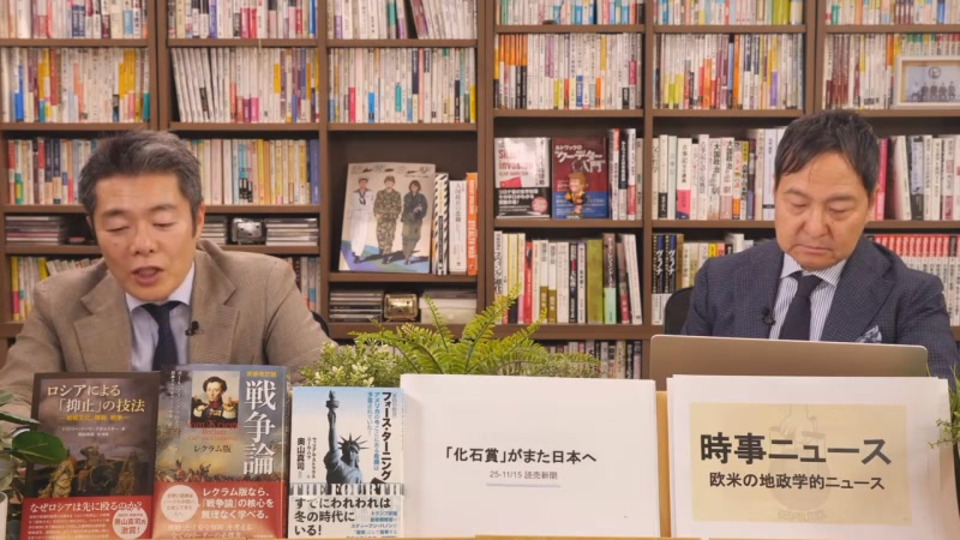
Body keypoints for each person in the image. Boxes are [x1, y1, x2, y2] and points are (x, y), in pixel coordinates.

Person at [0, 130, 333, 422]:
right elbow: (11, 406)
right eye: (117, 227)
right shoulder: (58, 300)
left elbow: (326, 389)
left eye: (162, 223)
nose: (142, 245)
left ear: (198, 220)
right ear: (93, 228)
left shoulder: (263, 284)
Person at [682, 110, 959, 382]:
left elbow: (941, 400)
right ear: (775, 192)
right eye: (798, 204)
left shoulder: (913, 295)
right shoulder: (720, 279)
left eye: (838, 209)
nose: (815, 228)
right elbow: (679, 387)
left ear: (871, 204)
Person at [323, 391, 364, 484]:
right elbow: (333, 447)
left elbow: (362, 491)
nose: (351, 453)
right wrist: (332, 425)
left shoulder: (358, 473)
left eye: (354, 451)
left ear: (357, 454)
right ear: (343, 453)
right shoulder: (338, 466)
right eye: (348, 450)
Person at [373, 176, 402, 262]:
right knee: (380, 236)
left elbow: (399, 207)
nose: (389, 184)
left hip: (391, 220)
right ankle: (381, 249)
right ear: (385, 183)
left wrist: (395, 214)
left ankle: (386, 256)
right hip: (381, 219)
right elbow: (376, 205)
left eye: (391, 183)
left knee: (389, 237)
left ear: (393, 184)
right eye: (388, 182)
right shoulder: (380, 193)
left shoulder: (397, 194)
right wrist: (376, 214)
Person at [346, 177, 374, 263]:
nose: (363, 184)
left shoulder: (370, 192)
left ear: (366, 183)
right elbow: (351, 204)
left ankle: (358, 255)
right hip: (355, 213)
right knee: (354, 233)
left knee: (362, 234)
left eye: (365, 182)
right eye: (361, 182)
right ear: (359, 183)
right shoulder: (354, 193)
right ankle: (354, 249)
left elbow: (371, 204)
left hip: (364, 214)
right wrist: (349, 215)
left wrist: (370, 216)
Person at [400, 180, 428, 265]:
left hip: (416, 221)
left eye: (415, 186)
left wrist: (418, 213)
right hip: (407, 220)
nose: (414, 188)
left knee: (414, 237)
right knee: (405, 237)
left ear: (418, 187)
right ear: (410, 187)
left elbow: (424, 209)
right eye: (412, 186)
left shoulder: (422, 197)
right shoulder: (407, 196)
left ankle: (408, 256)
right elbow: (407, 207)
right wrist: (415, 209)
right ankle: (405, 253)